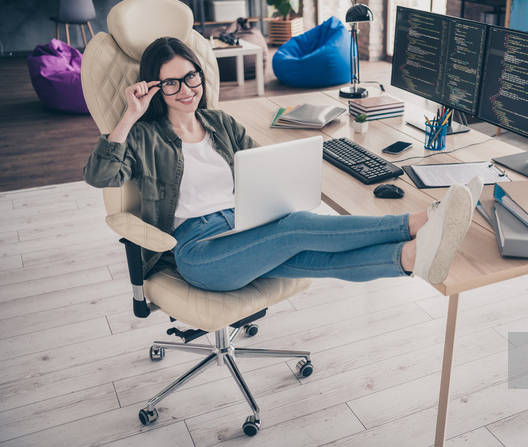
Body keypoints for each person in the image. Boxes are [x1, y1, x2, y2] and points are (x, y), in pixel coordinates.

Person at [83, 37, 484, 290]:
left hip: (248, 228)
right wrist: (129, 115)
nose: (185, 90)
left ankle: (412, 258)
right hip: (200, 252)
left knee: (319, 260)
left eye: (191, 77)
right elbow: (100, 176)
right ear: (155, 88)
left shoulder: (220, 122)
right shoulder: (142, 135)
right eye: (170, 83)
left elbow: (265, 166)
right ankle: (419, 221)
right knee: (295, 229)